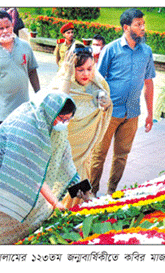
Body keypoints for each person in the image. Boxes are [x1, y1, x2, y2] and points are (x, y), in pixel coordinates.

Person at [0, 91, 80, 244]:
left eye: (69, 119)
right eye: (63, 119)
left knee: (20, 224)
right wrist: (56, 204)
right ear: (50, 113)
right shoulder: (27, 127)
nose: (65, 123)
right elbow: (32, 175)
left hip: (25, 176)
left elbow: (66, 162)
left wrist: (84, 191)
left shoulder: (54, 126)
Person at [89, 8, 156, 196]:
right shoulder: (110, 50)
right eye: (138, 24)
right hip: (109, 113)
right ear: (126, 27)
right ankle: (92, 194)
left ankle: (112, 193)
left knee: (122, 156)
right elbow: (97, 82)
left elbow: (148, 83)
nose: (143, 28)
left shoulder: (146, 52)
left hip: (132, 113)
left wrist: (150, 114)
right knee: (99, 154)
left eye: (143, 24)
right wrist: (99, 109)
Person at [50, 45, 112, 207]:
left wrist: (106, 105)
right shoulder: (61, 83)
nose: (86, 74)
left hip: (84, 149)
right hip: (64, 148)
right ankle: (59, 214)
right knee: (63, 184)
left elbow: (105, 107)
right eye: (80, 70)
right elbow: (61, 104)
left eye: (89, 69)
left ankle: (77, 212)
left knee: (80, 180)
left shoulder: (98, 84)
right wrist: (68, 74)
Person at [0, 11, 40, 134]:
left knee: (21, 146)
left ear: (12, 25)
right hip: (0, 113)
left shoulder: (25, 46)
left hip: (23, 110)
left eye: (7, 27)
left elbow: (32, 72)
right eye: (0, 28)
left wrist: (39, 95)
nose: (5, 31)